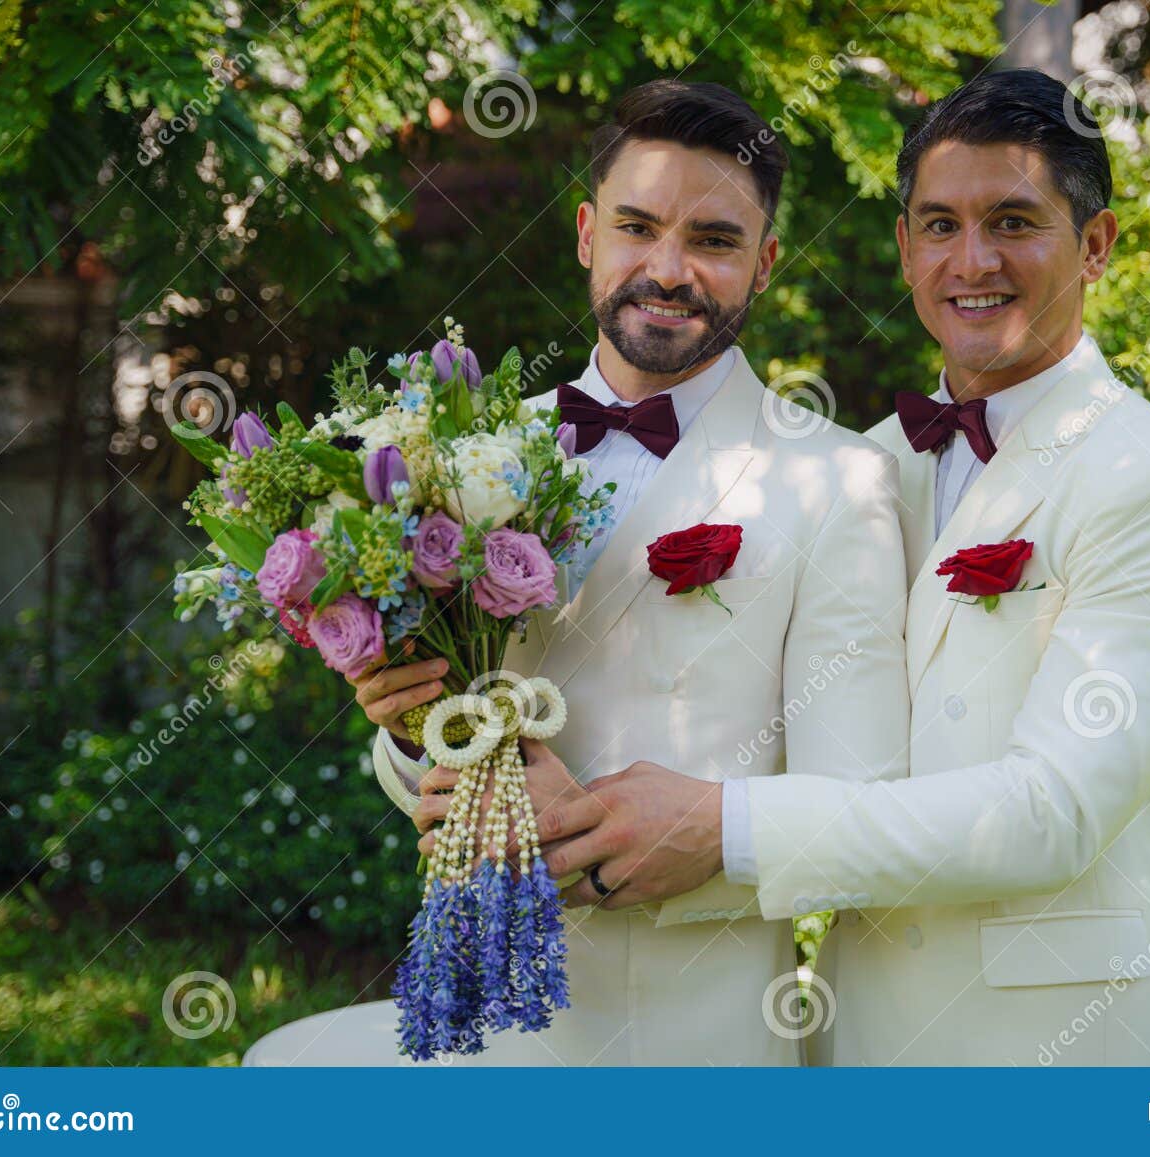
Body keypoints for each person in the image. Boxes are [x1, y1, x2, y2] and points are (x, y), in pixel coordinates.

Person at [531, 69, 1150, 1066]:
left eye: (1012, 221)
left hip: (1054, 1052)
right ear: (905, 246)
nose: (973, 260)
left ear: (1094, 246)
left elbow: (1053, 812)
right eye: (939, 224)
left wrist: (723, 825)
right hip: (855, 1041)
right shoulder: (863, 463)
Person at [345, 78, 909, 1066]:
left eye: (715, 239)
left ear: (766, 263)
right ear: (583, 232)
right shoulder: (455, 452)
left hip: (701, 1036)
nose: (667, 268)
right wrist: (407, 736)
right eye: (636, 226)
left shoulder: (838, 478)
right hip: (472, 1018)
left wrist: (659, 838)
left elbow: (857, 796)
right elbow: (427, 748)